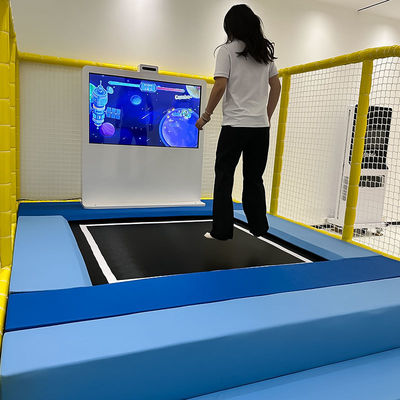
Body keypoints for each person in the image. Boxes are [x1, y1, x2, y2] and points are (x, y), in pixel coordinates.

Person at [195, 4, 281, 240]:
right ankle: (259, 228)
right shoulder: (263, 53)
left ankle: (222, 231)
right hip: (260, 128)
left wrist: (205, 117)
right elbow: (276, 86)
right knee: (254, 178)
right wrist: (266, 116)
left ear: (230, 27)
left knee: (224, 177)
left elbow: (220, 86)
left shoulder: (226, 51)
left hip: (235, 126)